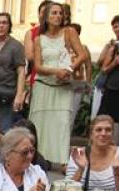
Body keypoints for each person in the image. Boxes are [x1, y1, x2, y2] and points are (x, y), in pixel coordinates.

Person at [29, 2, 86, 167]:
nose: (58, 16)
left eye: (60, 13)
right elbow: (37, 66)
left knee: (62, 122)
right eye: (53, 13)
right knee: (40, 123)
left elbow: (82, 55)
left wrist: (68, 69)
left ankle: (63, 161)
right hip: (43, 85)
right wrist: (56, 71)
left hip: (63, 87)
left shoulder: (69, 32)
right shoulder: (39, 38)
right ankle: (40, 159)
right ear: (45, 16)